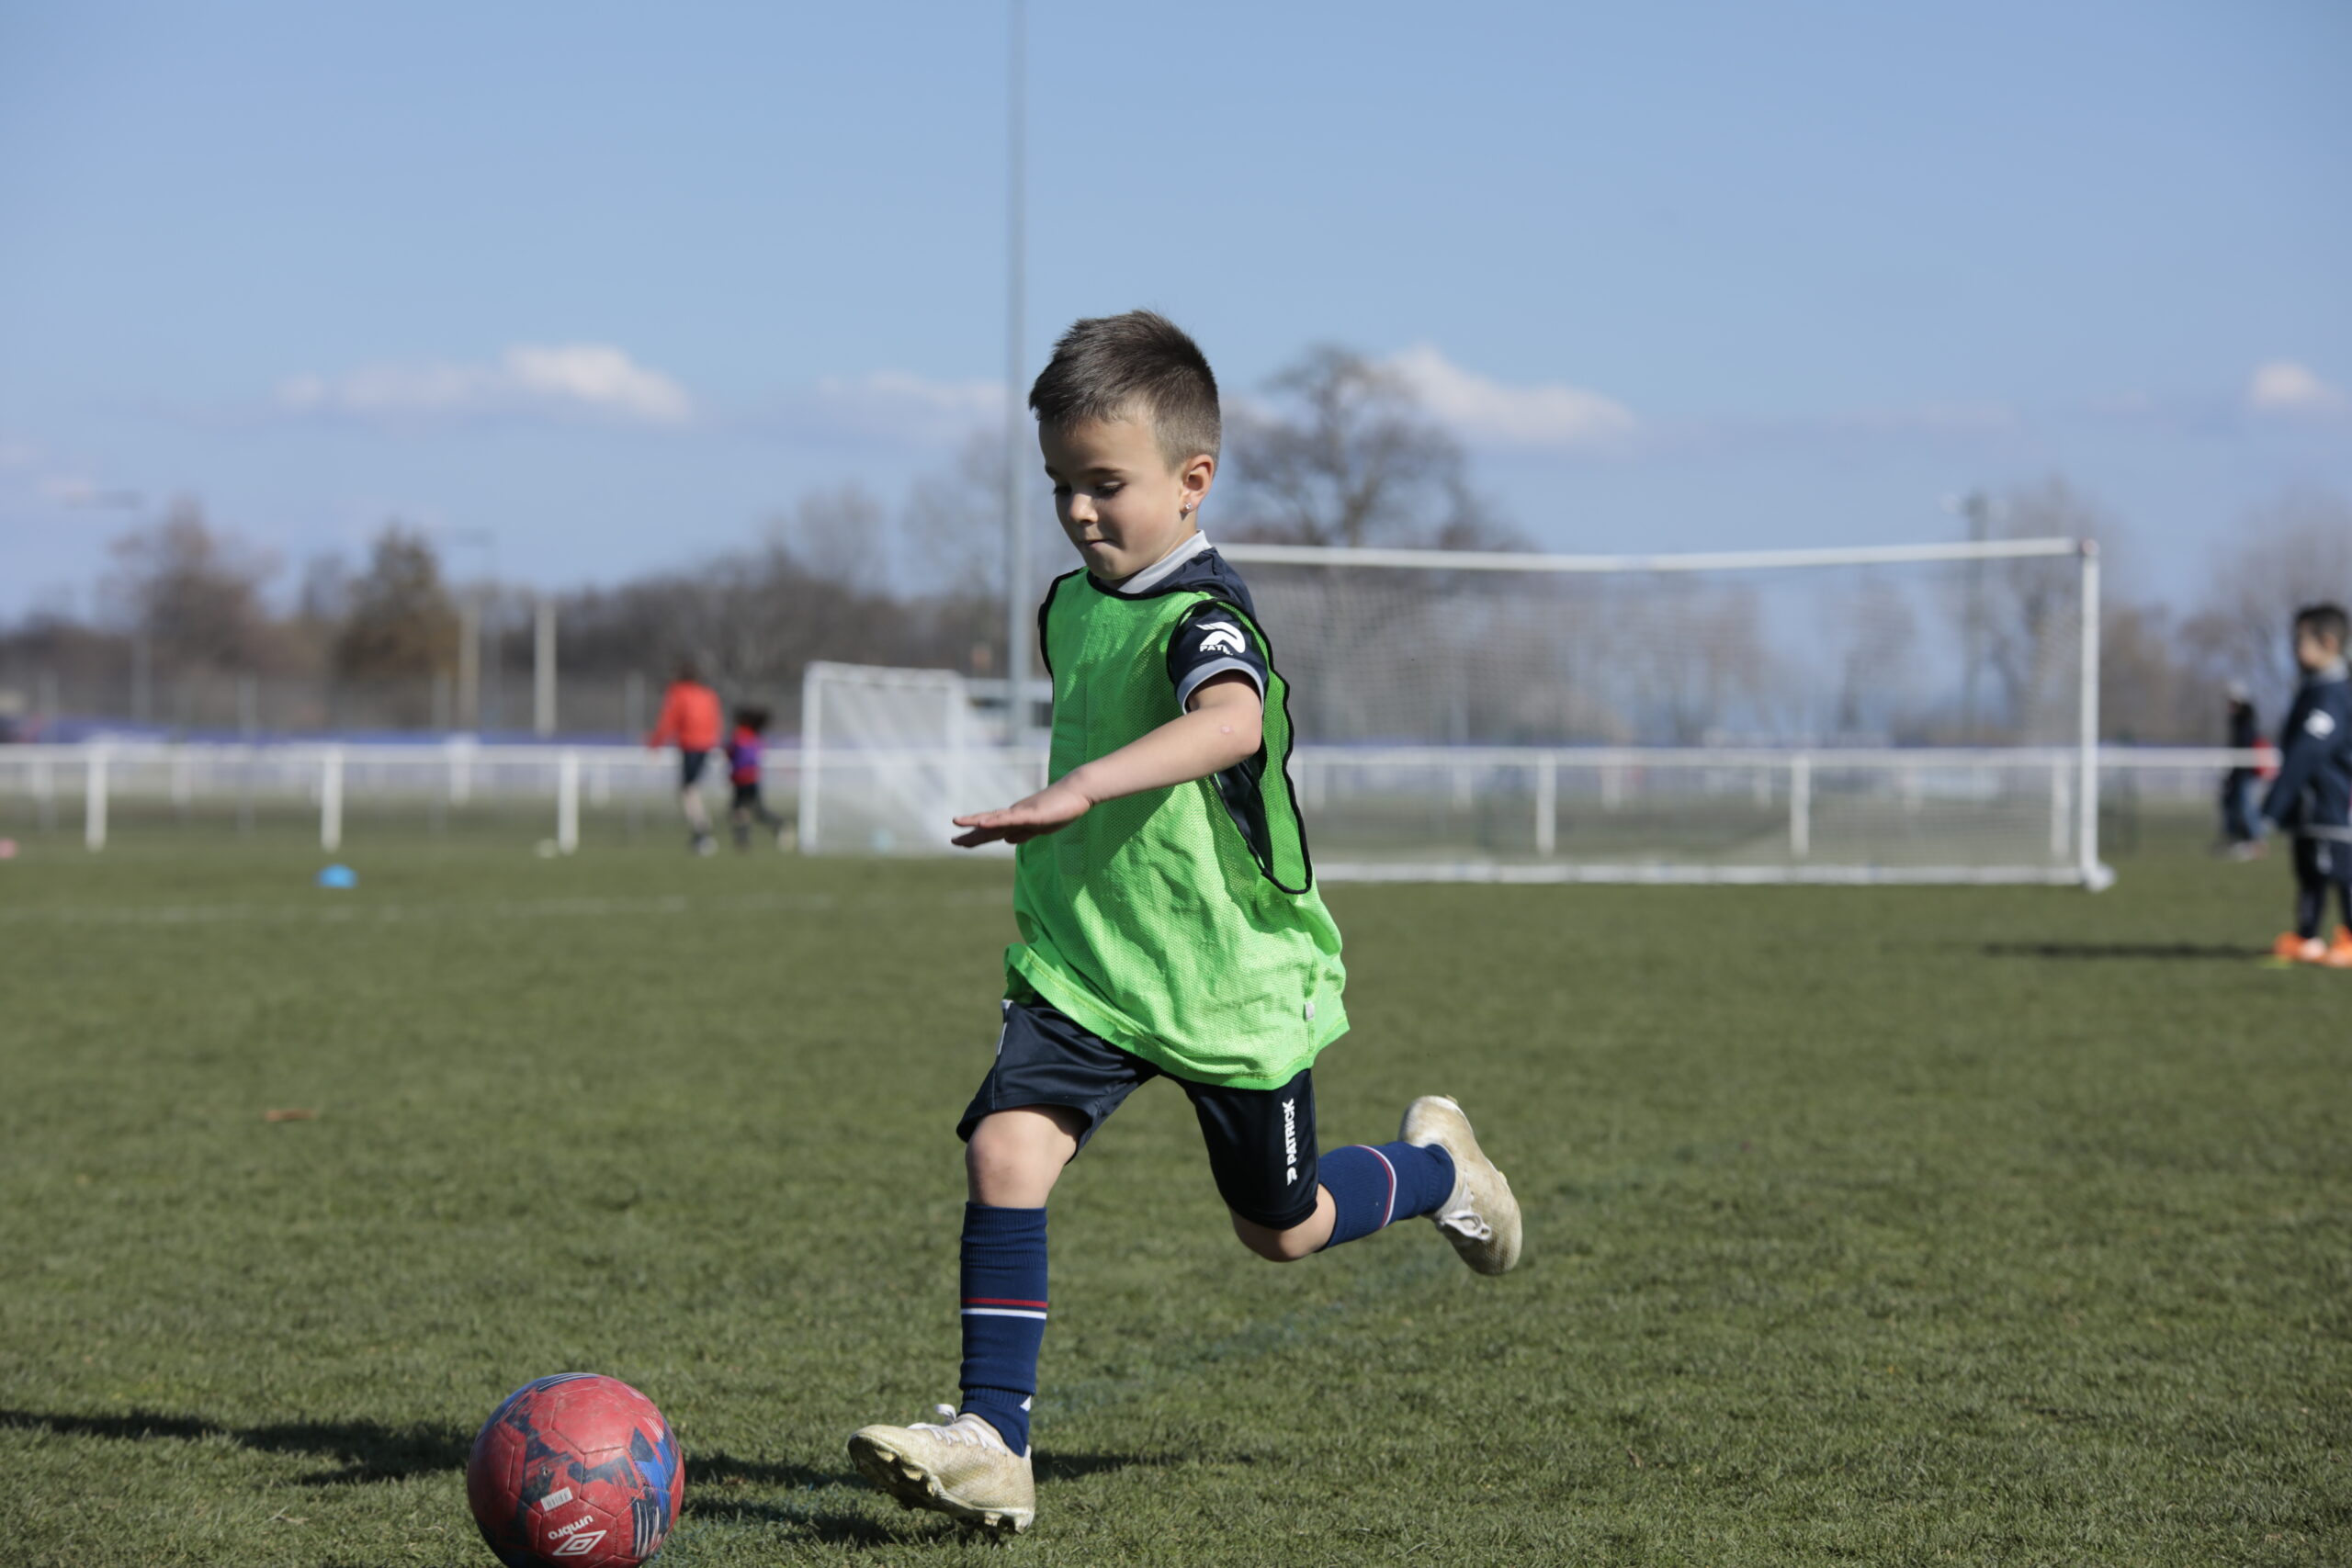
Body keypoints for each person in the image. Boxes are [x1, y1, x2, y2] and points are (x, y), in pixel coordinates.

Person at [846, 311, 1522, 1536]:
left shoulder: (1205, 611)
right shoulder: (1071, 607)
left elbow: (1233, 720)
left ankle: (1439, 1170)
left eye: (1106, 483)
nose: (1080, 511)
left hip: (1226, 977)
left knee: (1285, 1226)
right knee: (1005, 1150)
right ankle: (995, 1437)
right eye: (1061, 484)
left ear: (1192, 479)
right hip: (1088, 963)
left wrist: (1087, 786)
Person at [2259, 603, 2352, 966]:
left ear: (2328, 642)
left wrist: (2272, 806)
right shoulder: (2313, 689)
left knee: (2342, 873)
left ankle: (2349, 938)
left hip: (2334, 803)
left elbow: (2308, 753)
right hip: (2311, 805)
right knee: (2310, 872)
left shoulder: (2332, 694)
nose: (2294, 649)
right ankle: (2307, 936)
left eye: (2300, 641)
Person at [646, 659, 721, 855]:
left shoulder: (678, 693)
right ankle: (701, 831)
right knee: (690, 789)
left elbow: (668, 721)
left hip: (691, 745)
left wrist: (655, 744)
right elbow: (715, 722)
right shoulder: (708, 694)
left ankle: (702, 832)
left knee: (688, 790)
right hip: (706, 745)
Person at [725, 704, 787, 851]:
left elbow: (731, 752)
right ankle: (743, 840)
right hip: (752, 778)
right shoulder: (755, 735)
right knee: (744, 810)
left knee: (746, 810)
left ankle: (779, 825)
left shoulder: (741, 734)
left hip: (742, 779)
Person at [2219, 682, 2263, 857]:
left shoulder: (2246, 719)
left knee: (2247, 806)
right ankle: (2236, 839)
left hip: (2246, 771)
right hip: (2236, 771)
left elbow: (2247, 745)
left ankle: (2256, 841)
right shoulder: (2236, 720)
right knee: (2232, 805)